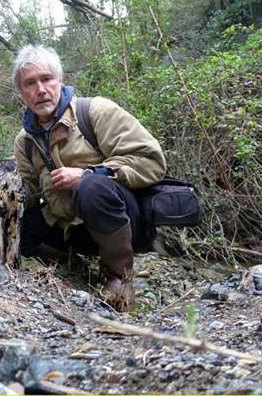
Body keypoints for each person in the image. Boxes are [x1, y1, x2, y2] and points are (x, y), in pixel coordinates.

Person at [13, 45, 167, 312]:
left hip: (126, 224)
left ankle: (120, 279)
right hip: (73, 231)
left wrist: (90, 174)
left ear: (60, 81)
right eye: (30, 83)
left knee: (91, 187)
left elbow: (151, 161)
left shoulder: (95, 112)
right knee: (24, 225)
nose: (40, 89)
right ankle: (71, 268)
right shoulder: (25, 142)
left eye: (47, 79)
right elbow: (27, 194)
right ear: (22, 92)